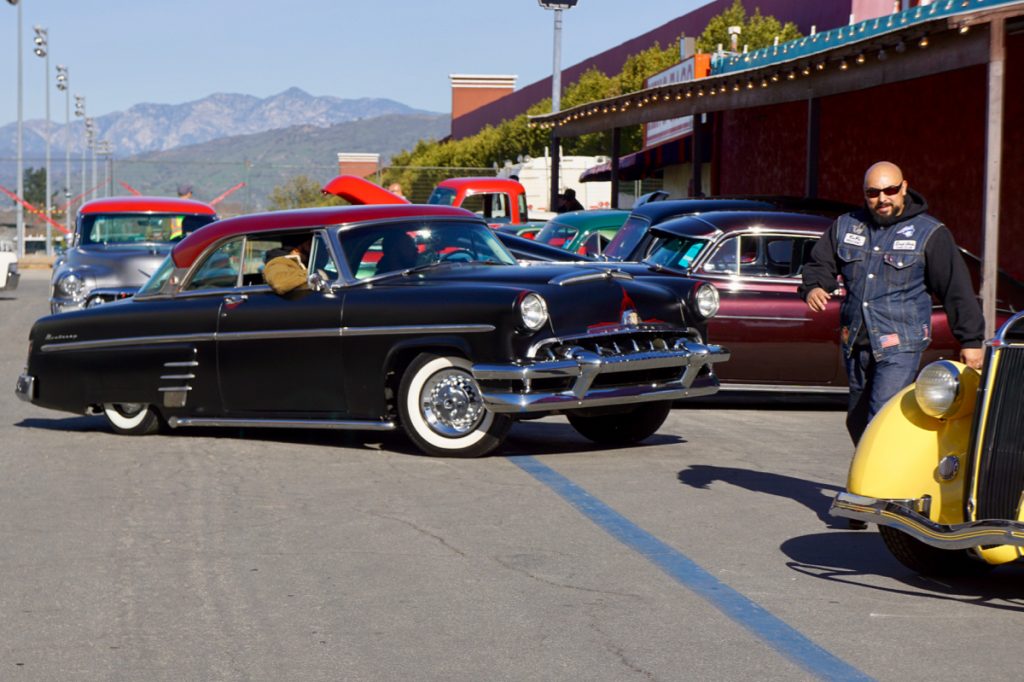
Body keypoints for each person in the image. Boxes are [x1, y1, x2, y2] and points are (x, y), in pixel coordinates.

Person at [799, 161, 985, 445]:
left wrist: (971, 340)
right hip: (857, 342)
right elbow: (818, 263)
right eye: (873, 192)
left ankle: (876, 488)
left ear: (904, 188)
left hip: (900, 346)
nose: (882, 198)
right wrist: (814, 287)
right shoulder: (847, 226)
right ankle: (876, 482)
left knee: (881, 416)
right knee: (858, 420)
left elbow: (955, 289)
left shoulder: (930, 233)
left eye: (890, 190)